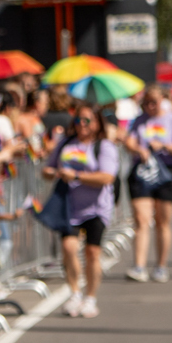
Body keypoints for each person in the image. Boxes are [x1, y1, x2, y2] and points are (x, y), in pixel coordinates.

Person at [43, 104, 120, 318]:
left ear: (97, 123)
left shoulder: (104, 146)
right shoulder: (66, 143)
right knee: (69, 248)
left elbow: (107, 177)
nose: (82, 125)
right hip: (70, 206)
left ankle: (91, 297)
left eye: (87, 120)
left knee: (92, 253)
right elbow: (48, 168)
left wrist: (76, 176)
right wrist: (53, 172)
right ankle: (75, 293)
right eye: (78, 120)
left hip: (96, 207)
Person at [121, 86, 172, 282]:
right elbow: (129, 141)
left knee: (162, 221)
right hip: (143, 172)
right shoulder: (139, 121)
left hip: (167, 172)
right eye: (146, 103)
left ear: (162, 101)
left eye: (154, 102)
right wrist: (138, 149)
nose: (150, 107)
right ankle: (139, 266)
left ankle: (161, 265)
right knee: (141, 219)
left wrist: (165, 146)